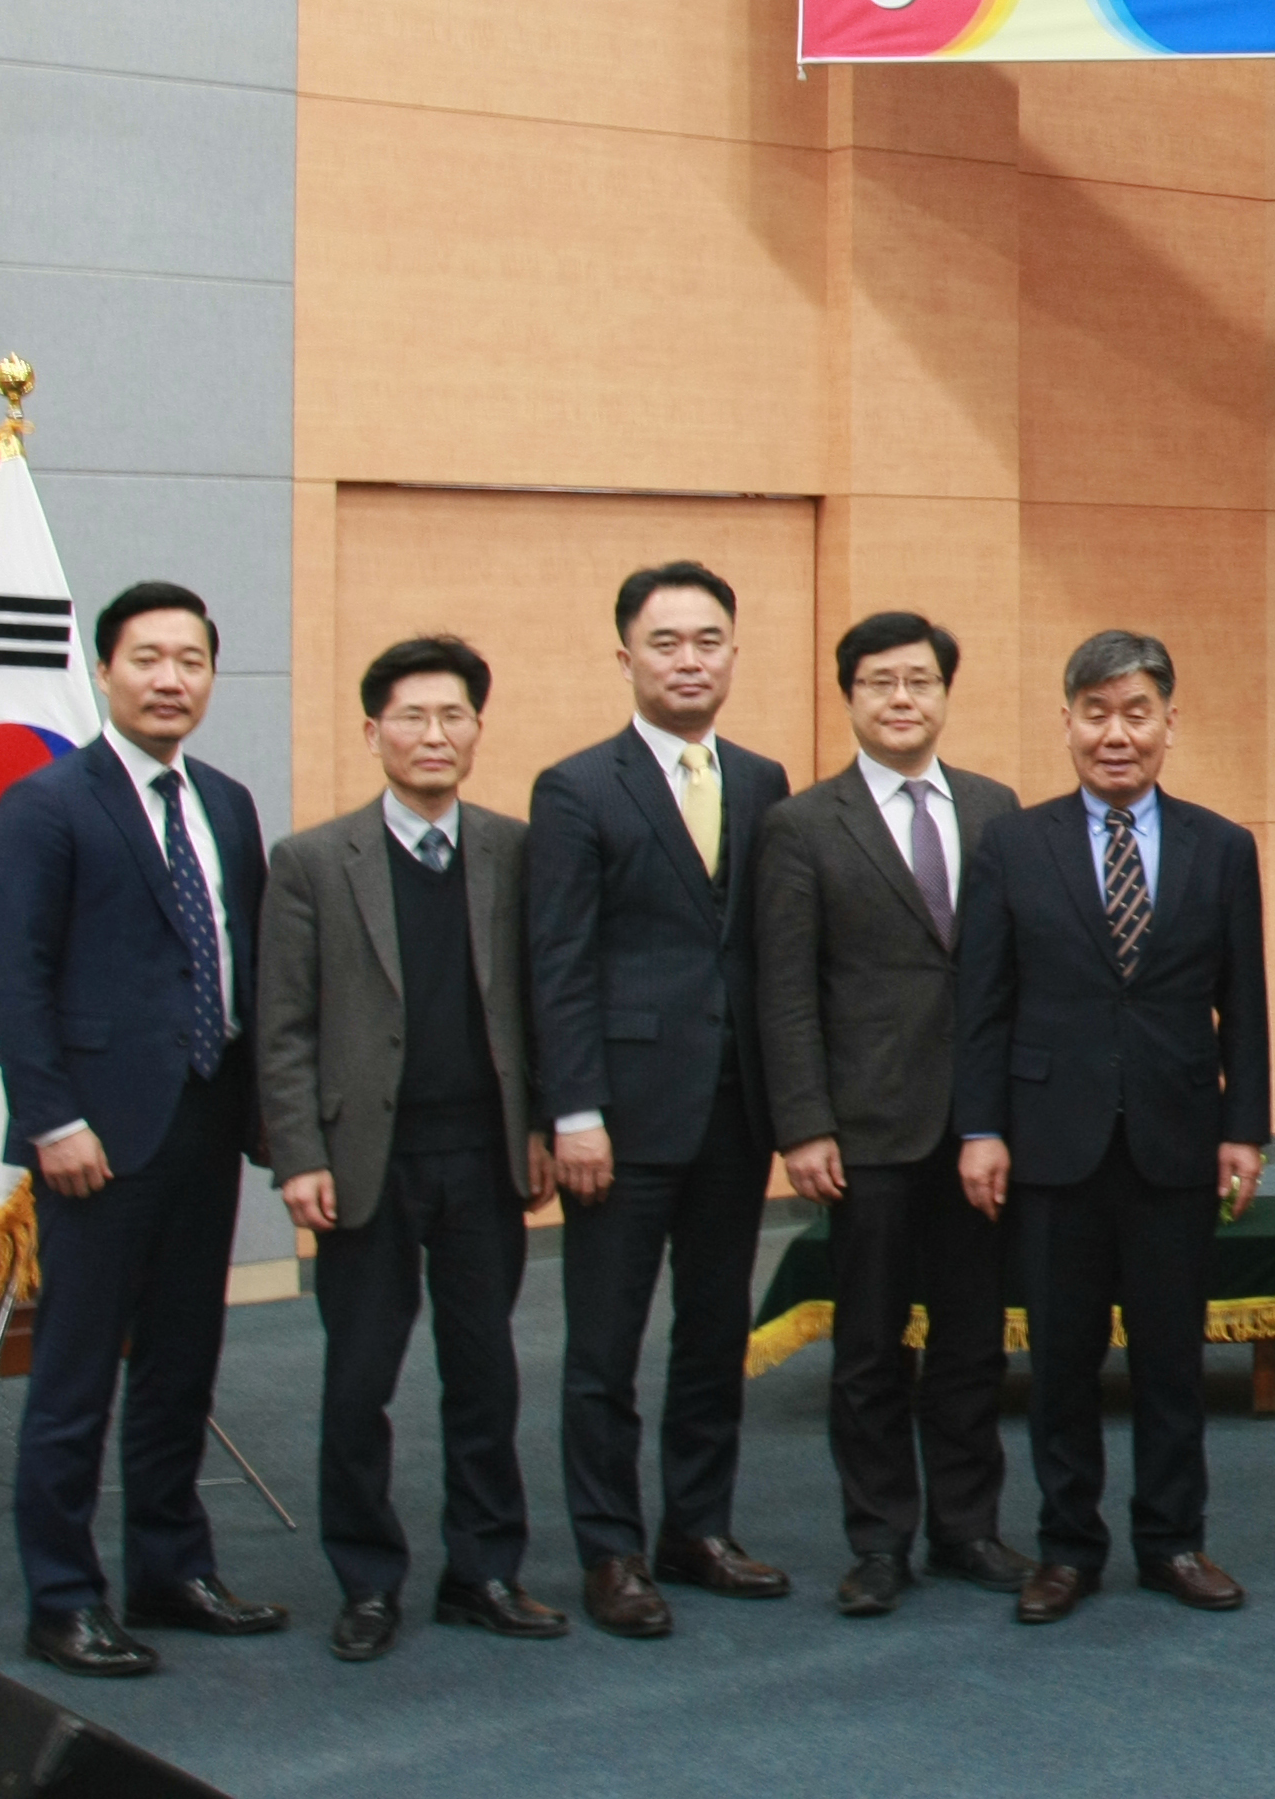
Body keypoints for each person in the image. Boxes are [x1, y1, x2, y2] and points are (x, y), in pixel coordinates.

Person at [0, 581, 287, 1677]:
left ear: (210, 674)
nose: (170, 678)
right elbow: (13, 978)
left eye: (191, 659)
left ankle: (169, 1569)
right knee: (74, 1378)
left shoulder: (230, 801)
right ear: (105, 671)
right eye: (147, 658)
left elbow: (242, 960)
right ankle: (61, 1597)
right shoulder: (46, 803)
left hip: (204, 1123)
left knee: (180, 1366)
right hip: (94, 1140)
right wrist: (51, 1114)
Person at [257, 637, 564, 1661]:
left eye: (454, 717)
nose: (434, 735)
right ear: (372, 730)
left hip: (483, 1156)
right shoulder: (311, 860)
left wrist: (547, 1125)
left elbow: (543, 1000)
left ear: (478, 729)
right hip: (363, 1162)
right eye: (411, 717)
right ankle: (368, 1578)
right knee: (360, 1378)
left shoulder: (515, 851)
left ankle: (484, 1567)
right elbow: (285, 1023)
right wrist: (296, 1152)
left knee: (485, 1372)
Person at [955, 630, 1270, 1620]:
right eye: (1096, 713)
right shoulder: (1012, 842)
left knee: (1173, 1355)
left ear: (1171, 723)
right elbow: (983, 1001)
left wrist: (1246, 1126)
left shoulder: (1224, 844)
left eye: (1137, 712)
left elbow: (1245, 1003)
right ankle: (1067, 1544)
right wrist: (981, 1126)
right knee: (1060, 1357)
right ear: (1066, 723)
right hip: (1051, 1141)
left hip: (1177, 1137)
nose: (1116, 733)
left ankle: (1174, 1540)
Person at [526, 560, 794, 1636]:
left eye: (710, 639)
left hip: (736, 1110)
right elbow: (559, 961)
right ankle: (610, 1549)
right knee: (603, 1346)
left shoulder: (767, 779)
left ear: (734, 651)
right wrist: (573, 1109)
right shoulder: (577, 786)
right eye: (668, 641)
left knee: (712, 1333)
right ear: (627, 655)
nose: (691, 659)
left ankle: (698, 1525)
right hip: (621, 1119)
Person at [754, 611, 1032, 1618]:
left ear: (947, 693)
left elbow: (1013, 973)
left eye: (919, 680)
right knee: (869, 1347)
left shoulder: (999, 808)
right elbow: (784, 988)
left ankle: (967, 1524)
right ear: (852, 696)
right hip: (862, 1130)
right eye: (881, 682)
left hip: (977, 1130)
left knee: (972, 1341)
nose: (902, 698)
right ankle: (878, 1540)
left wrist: (1004, 1113)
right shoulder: (801, 824)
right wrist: (803, 1122)